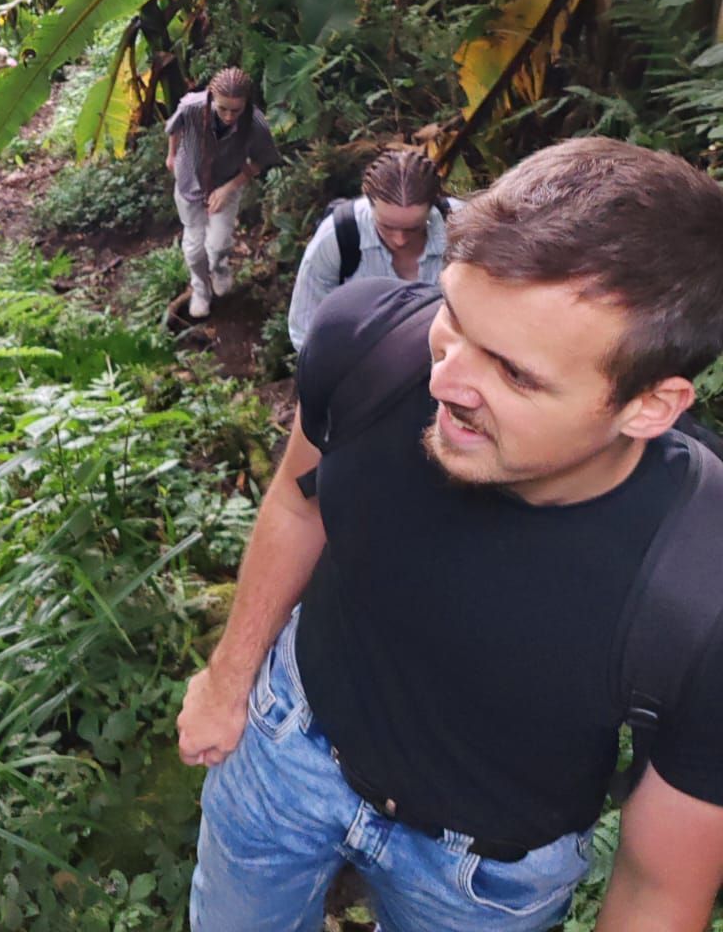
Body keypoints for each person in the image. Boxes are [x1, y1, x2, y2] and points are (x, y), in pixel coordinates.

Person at [178, 137, 723, 932]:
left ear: (649, 406)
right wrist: (229, 680)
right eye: (454, 318)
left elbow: (658, 887)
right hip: (287, 751)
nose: (443, 380)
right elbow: (302, 504)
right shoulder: (369, 345)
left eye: (515, 374)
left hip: (480, 873)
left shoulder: (702, 584)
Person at [287, 147, 459, 353]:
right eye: (387, 226)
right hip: (363, 362)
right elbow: (304, 328)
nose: (400, 240)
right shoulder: (338, 236)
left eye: (414, 228)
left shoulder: (465, 227)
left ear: (432, 207)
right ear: (369, 205)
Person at [165, 67, 279, 319]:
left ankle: (220, 268)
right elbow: (173, 127)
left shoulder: (255, 122)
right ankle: (200, 290)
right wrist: (171, 155)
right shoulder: (191, 107)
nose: (228, 116)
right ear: (211, 97)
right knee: (194, 250)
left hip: (227, 183)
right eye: (223, 109)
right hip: (189, 184)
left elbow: (262, 160)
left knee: (217, 245)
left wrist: (230, 188)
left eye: (235, 110)